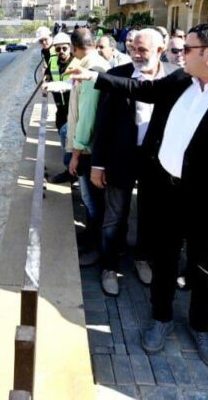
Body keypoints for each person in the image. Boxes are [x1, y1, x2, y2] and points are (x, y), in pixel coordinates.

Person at [73, 22, 208, 368]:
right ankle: (160, 318)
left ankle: (201, 327)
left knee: (207, 272)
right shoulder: (182, 79)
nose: (179, 56)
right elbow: (144, 89)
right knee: (163, 260)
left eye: (188, 50)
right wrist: (96, 77)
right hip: (165, 191)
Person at [90, 28, 164, 295]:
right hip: (121, 158)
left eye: (143, 50)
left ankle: (142, 259)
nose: (136, 54)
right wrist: (98, 164)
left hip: (156, 161)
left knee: (150, 214)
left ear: (160, 50)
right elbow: (103, 123)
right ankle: (109, 267)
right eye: (133, 49)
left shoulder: (173, 78)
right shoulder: (117, 76)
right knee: (115, 215)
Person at [60, 28, 110, 266]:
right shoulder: (92, 63)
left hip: (89, 150)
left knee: (93, 202)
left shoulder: (92, 69)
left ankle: (96, 247)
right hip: (91, 147)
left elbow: (87, 115)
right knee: (93, 201)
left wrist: (76, 153)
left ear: (73, 47)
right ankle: (91, 237)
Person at [43, 32, 74, 183]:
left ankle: (72, 172)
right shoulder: (53, 61)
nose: (61, 52)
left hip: (74, 108)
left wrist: (51, 85)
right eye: (58, 49)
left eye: (64, 48)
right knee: (64, 140)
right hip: (60, 108)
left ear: (70, 48)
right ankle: (71, 170)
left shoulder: (77, 62)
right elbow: (48, 74)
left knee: (69, 138)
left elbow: (71, 84)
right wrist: (46, 78)